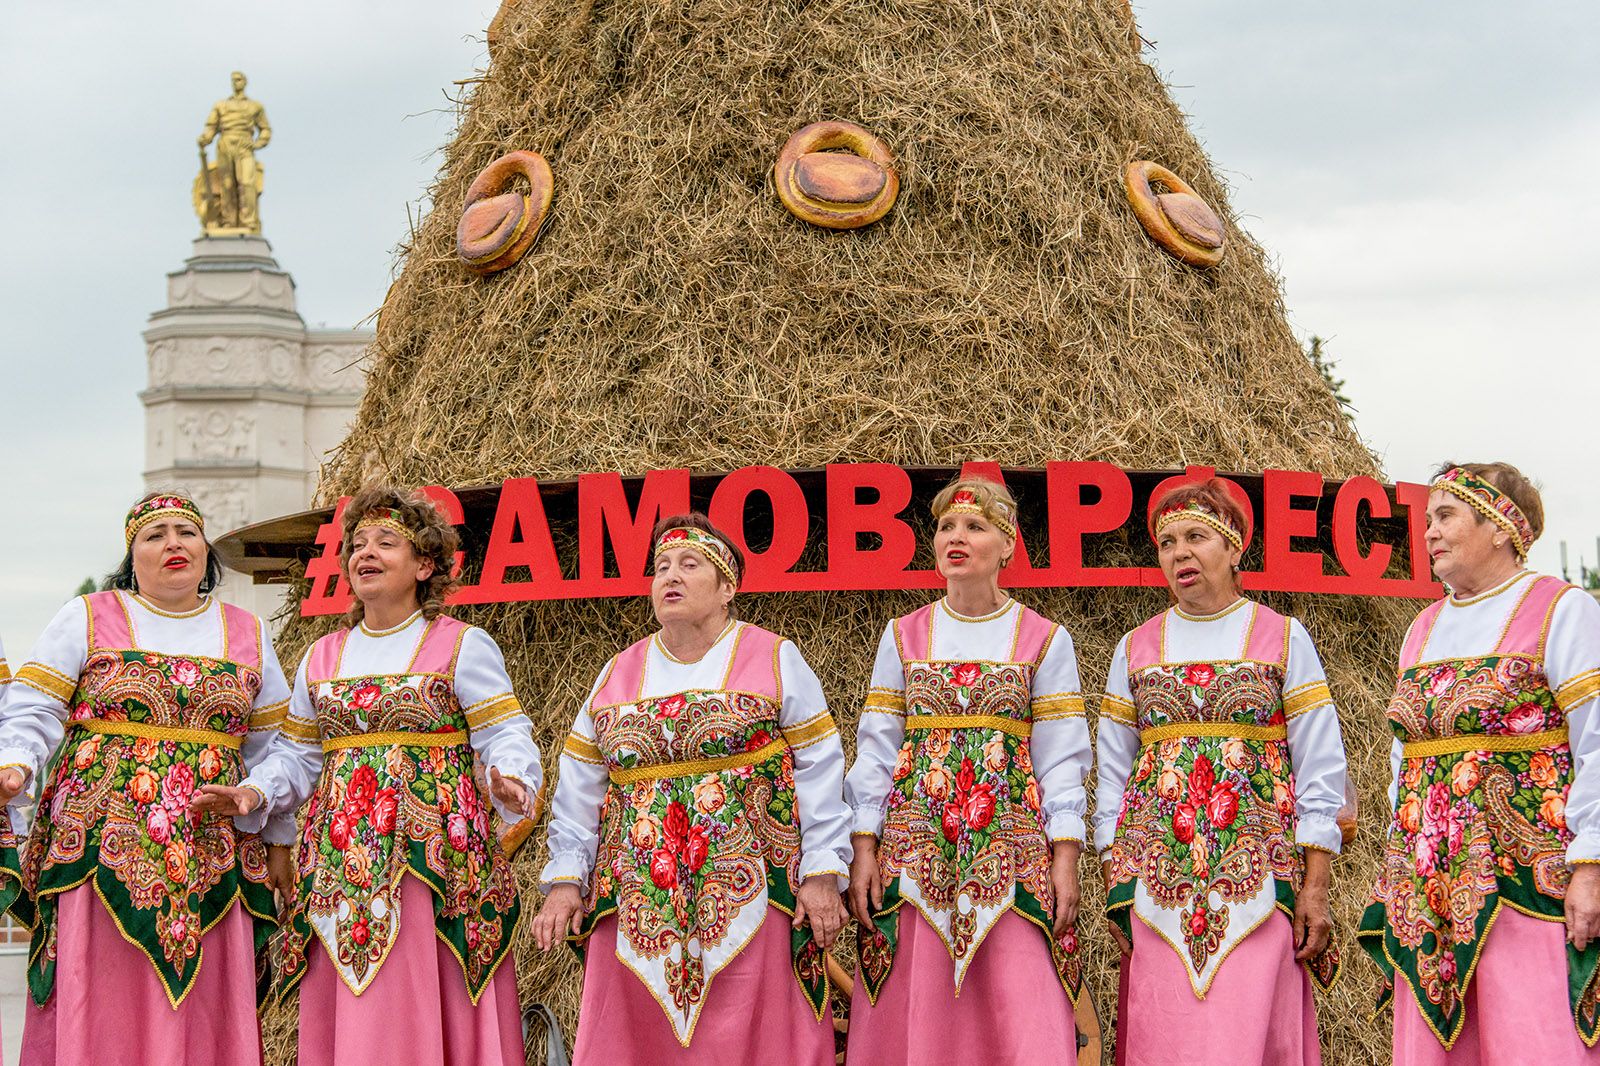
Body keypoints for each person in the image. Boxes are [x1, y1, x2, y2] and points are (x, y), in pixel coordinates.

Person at [204, 485, 542, 1065]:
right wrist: (253, 791)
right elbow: (298, 756)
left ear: (425, 564)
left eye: (386, 542)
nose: (366, 553)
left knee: (422, 995)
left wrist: (510, 775)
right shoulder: (323, 656)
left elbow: (505, 731)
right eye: (357, 544)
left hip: (433, 863)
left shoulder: (461, 645)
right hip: (342, 866)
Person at [533, 512, 851, 1064]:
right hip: (639, 906)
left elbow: (821, 769)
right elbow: (578, 790)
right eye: (660, 567)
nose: (669, 577)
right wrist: (565, 880)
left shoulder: (775, 658)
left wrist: (823, 872)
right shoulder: (616, 674)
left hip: (752, 897)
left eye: (689, 564)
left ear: (728, 588)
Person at [0, 492, 289, 1065]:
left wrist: (278, 836)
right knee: (102, 991)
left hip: (214, 848)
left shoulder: (247, 632)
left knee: (203, 1000)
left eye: (186, 531)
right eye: (154, 535)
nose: (173, 543)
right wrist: (16, 764)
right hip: (101, 847)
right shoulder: (88, 615)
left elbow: (275, 747)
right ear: (132, 556)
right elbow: (34, 708)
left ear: (207, 550)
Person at [1095, 475, 1346, 1065]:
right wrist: (1115, 871)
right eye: (1166, 543)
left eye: (1196, 538)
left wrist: (1315, 885)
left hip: (1258, 882)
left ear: (1235, 548)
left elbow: (1320, 764)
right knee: (1167, 1034)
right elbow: (1112, 772)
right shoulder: (1135, 647)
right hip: (1157, 888)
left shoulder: (1283, 637)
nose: (1179, 553)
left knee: (1247, 1034)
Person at [1358, 462, 1600, 1062]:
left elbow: (1596, 739)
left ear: (1500, 527)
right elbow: (1403, 759)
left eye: (1445, 516)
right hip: (1428, 885)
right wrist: (1396, 871)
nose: (1429, 533)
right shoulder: (1422, 628)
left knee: (1532, 1037)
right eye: (1426, 521)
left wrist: (1591, 864)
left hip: (1526, 879)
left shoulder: (1560, 609)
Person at [844, 478, 1089, 1064]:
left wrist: (1065, 859)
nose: (957, 538)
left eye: (975, 527)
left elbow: (1060, 760)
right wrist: (863, 847)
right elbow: (877, 750)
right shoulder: (903, 635)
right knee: (919, 1006)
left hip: (1011, 855)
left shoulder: (1045, 639)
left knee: (1019, 999)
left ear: (1008, 545)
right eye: (946, 527)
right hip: (915, 854)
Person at [197, 71, 270, 231]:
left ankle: (248, 221)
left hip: (245, 144)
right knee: (227, 184)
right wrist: (205, 139)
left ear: (244, 82)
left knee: (247, 183)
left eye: (238, 80)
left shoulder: (255, 106)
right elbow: (211, 127)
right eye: (233, 80)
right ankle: (229, 221)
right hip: (225, 144)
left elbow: (265, 129)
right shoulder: (221, 105)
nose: (235, 83)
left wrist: (257, 144)